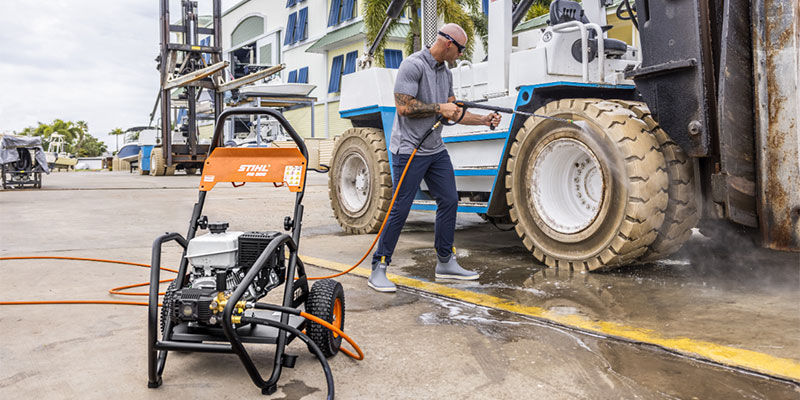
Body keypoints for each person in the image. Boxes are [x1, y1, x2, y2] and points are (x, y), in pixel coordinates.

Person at [368, 23, 502, 293]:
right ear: (449, 43)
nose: (461, 55)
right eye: (461, 50)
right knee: (400, 208)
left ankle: (445, 262)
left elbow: (453, 112)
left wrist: (484, 119)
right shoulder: (413, 65)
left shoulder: (445, 72)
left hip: (434, 148)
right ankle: (379, 267)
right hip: (409, 149)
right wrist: (439, 106)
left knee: (450, 200)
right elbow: (404, 107)